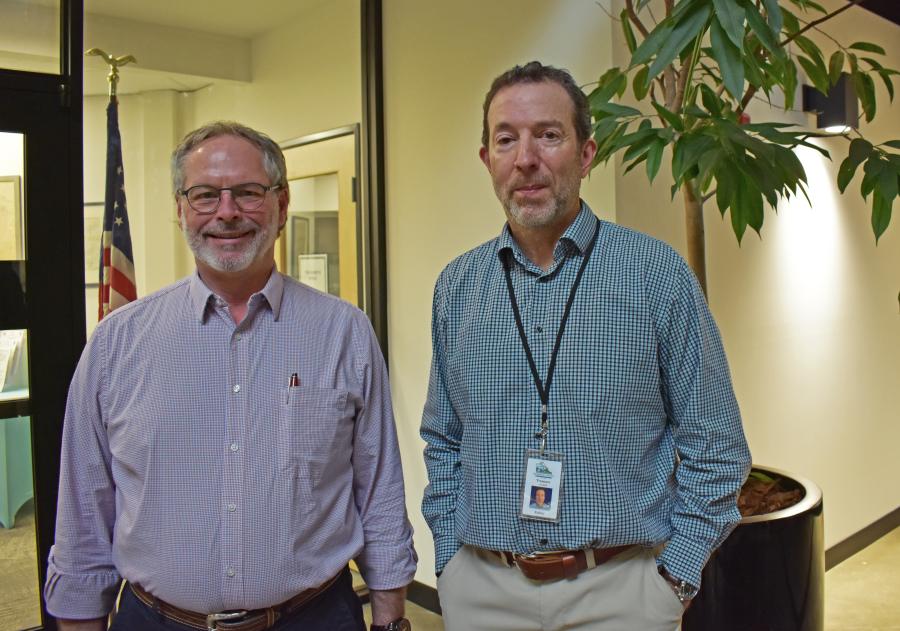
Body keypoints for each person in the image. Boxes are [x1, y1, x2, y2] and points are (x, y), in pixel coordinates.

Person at [45, 121, 416, 631]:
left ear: (281, 207)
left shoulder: (343, 331)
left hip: (315, 618)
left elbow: (378, 490)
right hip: (157, 621)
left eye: (247, 193)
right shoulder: (117, 344)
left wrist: (392, 615)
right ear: (180, 209)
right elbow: (85, 510)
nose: (226, 212)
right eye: (205, 195)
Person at [420, 61, 751, 631]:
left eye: (548, 135)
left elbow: (717, 449)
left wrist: (674, 578)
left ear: (587, 153)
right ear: (487, 161)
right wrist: (451, 562)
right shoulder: (457, 286)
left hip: (621, 594)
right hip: (483, 591)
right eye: (506, 139)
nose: (526, 158)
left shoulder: (656, 276)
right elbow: (443, 438)